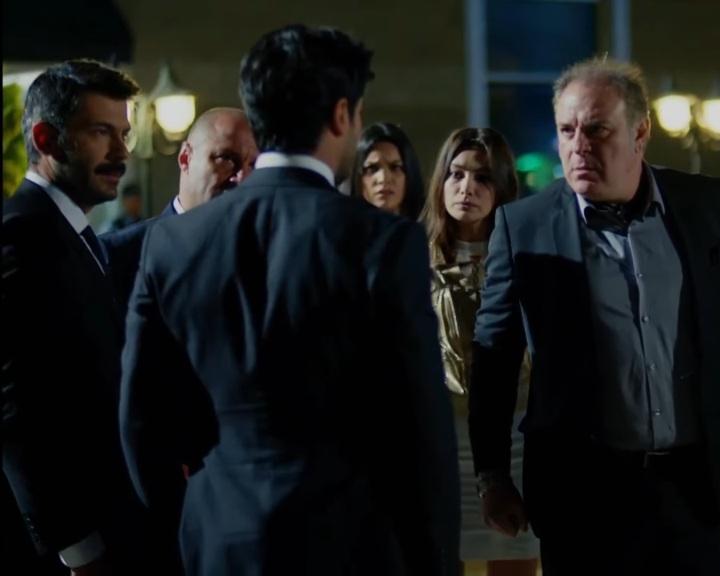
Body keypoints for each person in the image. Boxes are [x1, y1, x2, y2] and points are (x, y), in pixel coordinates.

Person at [117, 25, 459, 576]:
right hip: (347, 544)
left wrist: (189, 524)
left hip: (216, 540)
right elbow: (418, 429)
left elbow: (139, 420)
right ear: (342, 115)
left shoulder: (173, 242)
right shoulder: (380, 241)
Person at [467, 57, 720, 575]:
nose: (578, 146)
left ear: (641, 132)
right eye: (567, 130)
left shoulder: (703, 204)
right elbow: (494, 359)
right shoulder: (524, 227)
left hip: (693, 488)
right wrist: (492, 475)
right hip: (582, 494)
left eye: (597, 130)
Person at [1, 59, 176, 575]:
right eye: (102, 132)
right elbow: (14, 414)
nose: (122, 152)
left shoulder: (73, 235)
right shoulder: (21, 237)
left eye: (124, 134)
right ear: (46, 139)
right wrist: (78, 549)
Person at [421, 127, 539, 575]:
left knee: (513, 554)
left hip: (514, 435)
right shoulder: (413, 255)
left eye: (482, 177)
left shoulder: (525, 254)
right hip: (440, 437)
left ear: (502, 185)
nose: (466, 187)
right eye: (456, 174)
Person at [100, 107, 258, 319]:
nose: (242, 178)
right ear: (185, 158)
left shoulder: (268, 255)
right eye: (226, 158)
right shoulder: (116, 256)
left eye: (253, 165)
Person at [351, 121, 425, 219]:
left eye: (395, 167)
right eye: (372, 169)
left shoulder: (427, 228)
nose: (383, 178)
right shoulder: (340, 227)